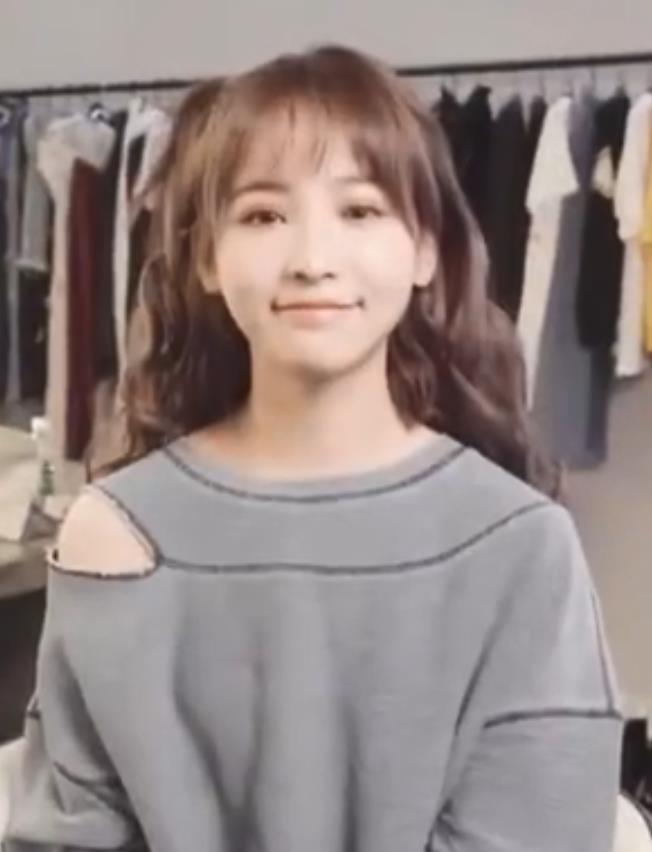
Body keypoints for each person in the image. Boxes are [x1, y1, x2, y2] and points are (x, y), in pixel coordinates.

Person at [4, 45, 622, 852]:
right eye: (264, 216)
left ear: (424, 249)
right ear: (207, 258)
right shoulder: (116, 531)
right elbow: (64, 833)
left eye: (360, 211)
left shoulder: (518, 547)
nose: (312, 261)